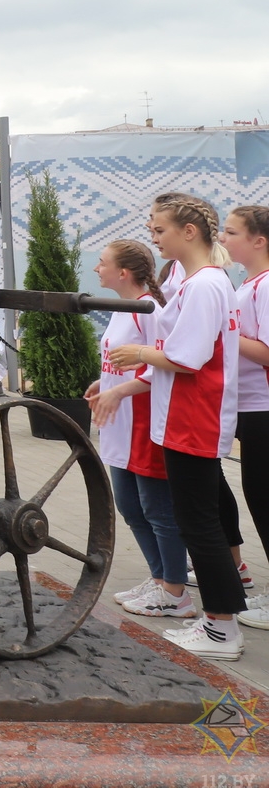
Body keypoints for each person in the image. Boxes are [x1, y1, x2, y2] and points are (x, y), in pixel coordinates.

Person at [109, 195, 244, 660]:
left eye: (160, 229)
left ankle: (222, 627)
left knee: (198, 524)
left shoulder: (205, 284)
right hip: (182, 417)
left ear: (189, 231)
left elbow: (188, 358)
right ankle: (221, 618)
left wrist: (140, 355)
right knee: (199, 521)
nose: (153, 236)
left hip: (195, 417)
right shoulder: (193, 281)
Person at [84, 240, 187, 617]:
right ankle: (159, 579)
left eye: (102, 263)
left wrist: (121, 391)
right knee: (129, 506)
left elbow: (161, 364)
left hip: (143, 423)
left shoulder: (149, 311)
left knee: (156, 509)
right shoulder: (120, 309)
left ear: (123, 273)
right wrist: (104, 384)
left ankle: (175, 590)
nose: (97, 268)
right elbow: (121, 360)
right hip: (119, 424)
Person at [225, 206, 269, 630]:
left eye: (232, 231)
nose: (224, 237)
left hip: (264, 408)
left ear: (259, 240)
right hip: (251, 407)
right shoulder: (250, 283)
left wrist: (226, 331)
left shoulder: (267, 285)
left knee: (264, 497)